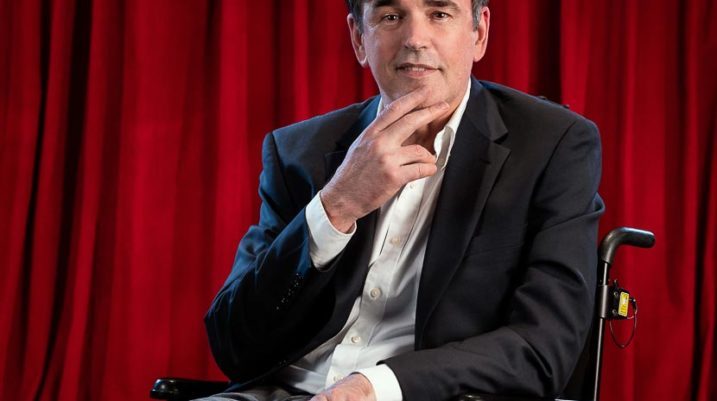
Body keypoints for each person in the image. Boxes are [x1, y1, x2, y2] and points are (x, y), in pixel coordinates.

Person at [202, 0, 604, 400]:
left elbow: (543, 347)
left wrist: (375, 386)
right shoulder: (298, 150)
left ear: (479, 32)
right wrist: (336, 206)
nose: (415, 38)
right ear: (359, 38)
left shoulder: (553, 145)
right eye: (391, 17)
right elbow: (234, 346)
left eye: (439, 14)